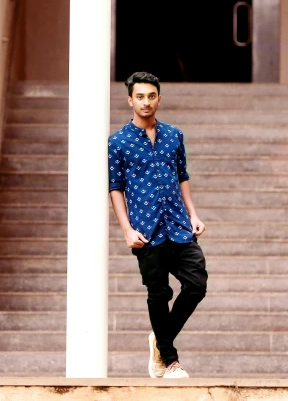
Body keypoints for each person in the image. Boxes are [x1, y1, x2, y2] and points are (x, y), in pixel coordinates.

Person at [108, 71, 208, 379]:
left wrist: (193, 214)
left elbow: (183, 176)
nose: (146, 102)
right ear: (130, 100)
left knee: (196, 284)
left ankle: (160, 339)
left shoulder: (173, 135)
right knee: (159, 292)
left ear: (159, 99)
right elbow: (115, 187)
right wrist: (126, 228)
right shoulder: (118, 142)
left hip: (178, 224)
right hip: (145, 230)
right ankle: (170, 360)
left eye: (151, 96)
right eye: (140, 96)